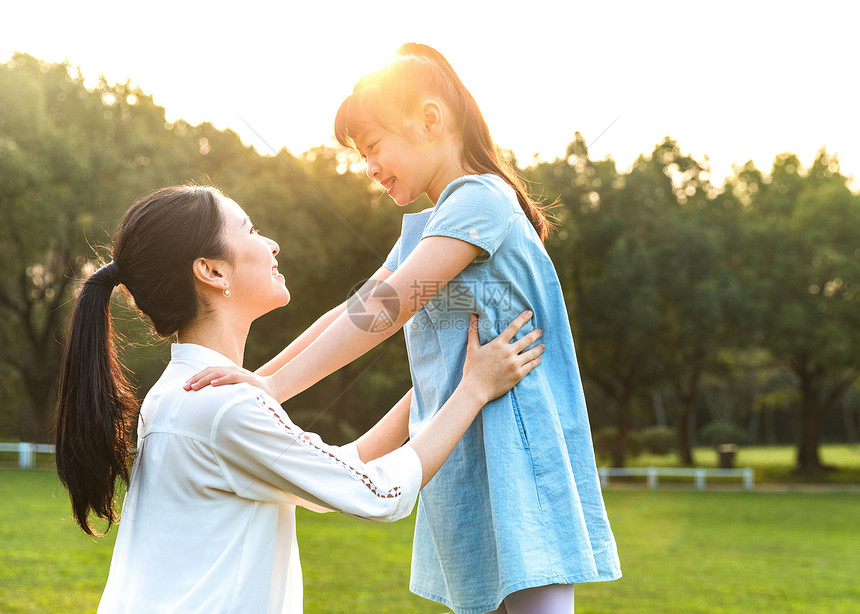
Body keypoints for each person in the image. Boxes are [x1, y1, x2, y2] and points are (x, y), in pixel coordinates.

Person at [185, 43, 621, 614]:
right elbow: (351, 310)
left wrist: (275, 390)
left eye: (372, 146)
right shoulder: (426, 226)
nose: (367, 167)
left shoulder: (482, 200)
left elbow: (389, 308)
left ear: (430, 120)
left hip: (517, 451)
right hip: (463, 449)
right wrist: (254, 377)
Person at [54, 185, 543, 614]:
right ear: (211, 271)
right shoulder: (221, 407)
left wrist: (440, 384)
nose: (271, 244)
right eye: (251, 231)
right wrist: (473, 390)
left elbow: (335, 467)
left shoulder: (184, 394)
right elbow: (376, 494)